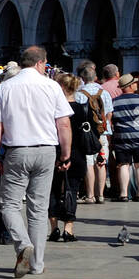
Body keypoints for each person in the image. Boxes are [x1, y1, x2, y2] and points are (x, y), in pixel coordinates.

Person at [0, 45, 74, 278]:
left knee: (10, 204)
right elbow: (64, 124)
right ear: (40, 63)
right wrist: (66, 154)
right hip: (46, 151)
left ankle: (23, 243)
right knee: (38, 208)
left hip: (17, 151)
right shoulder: (52, 86)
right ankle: (36, 264)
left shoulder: (5, 87)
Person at [48, 73, 88, 242]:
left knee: (52, 191)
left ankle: (54, 228)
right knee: (72, 190)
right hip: (77, 154)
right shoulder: (82, 109)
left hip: (55, 154)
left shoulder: (53, 109)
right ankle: (69, 229)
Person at [111, 73, 139, 201]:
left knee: (123, 165)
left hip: (122, 137)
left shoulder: (114, 102)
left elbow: (110, 120)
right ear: (131, 85)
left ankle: (124, 194)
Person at [75, 62, 112, 205]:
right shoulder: (105, 93)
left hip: (86, 133)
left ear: (83, 78)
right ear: (95, 77)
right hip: (102, 132)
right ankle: (100, 194)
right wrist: (105, 128)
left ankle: (90, 195)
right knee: (101, 162)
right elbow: (109, 113)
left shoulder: (79, 94)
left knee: (89, 163)